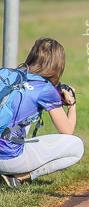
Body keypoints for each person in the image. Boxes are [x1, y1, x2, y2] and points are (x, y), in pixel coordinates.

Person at [0, 38, 81, 187]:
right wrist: (72, 105)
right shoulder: (45, 89)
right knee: (77, 146)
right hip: (9, 159)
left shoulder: (7, 74)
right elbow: (67, 131)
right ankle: (20, 177)